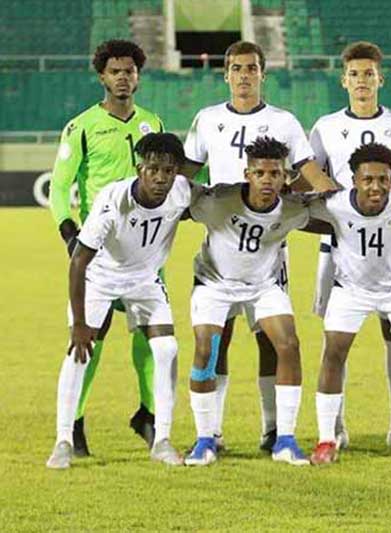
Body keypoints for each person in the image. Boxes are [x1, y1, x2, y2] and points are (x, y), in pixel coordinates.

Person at [182, 40, 337, 451]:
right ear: (226, 74)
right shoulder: (208, 119)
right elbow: (187, 174)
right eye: (236, 68)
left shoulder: (284, 122)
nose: (244, 75)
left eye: (252, 68)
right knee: (219, 339)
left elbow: (308, 170)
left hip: (269, 247)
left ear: (262, 73)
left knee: (272, 340)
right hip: (222, 241)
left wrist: (340, 202)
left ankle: (273, 431)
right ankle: (211, 432)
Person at [46, 133, 193, 469]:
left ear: (177, 172)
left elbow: (215, 199)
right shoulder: (113, 200)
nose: (160, 177)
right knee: (79, 352)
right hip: (100, 278)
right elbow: (79, 261)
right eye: (153, 169)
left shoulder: (182, 191)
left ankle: (163, 440)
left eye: (168, 171)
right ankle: (63, 441)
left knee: (167, 349)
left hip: (145, 281)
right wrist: (80, 325)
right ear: (139, 168)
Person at [48, 39, 165, 456]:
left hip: (145, 249)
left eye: (129, 71)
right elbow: (61, 186)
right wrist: (69, 232)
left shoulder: (153, 122)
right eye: (115, 71)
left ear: (138, 76)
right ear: (102, 76)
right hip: (100, 249)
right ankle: (75, 421)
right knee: (90, 337)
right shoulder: (81, 127)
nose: (123, 78)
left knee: (152, 336)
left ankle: (148, 415)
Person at [309, 41, 391, 450]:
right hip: (337, 251)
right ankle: (334, 427)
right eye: (354, 75)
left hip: (390, 250)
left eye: (368, 74)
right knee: (336, 340)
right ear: (344, 80)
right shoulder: (326, 126)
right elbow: (310, 172)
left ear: (380, 79)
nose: (361, 81)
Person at [185, 137, 316, 467]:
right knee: (207, 349)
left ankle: (284, 439)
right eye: (260, 173)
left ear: (286, 176)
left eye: (275, 174)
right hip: (214, 284)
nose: (267, 180)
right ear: (248, 173)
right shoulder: (217, 200)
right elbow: (177, 200)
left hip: (262, 287)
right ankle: (205, 439)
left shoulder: (293, 208)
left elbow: (337, 214)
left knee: (288, 344)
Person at [307, 143, 391, 465]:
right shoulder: (335, 205)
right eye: (368, 179)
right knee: (334, 352)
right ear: (354, 180)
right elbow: (299, 214)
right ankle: (326, 440)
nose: (377, 186)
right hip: (350, 289)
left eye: (384, 179)